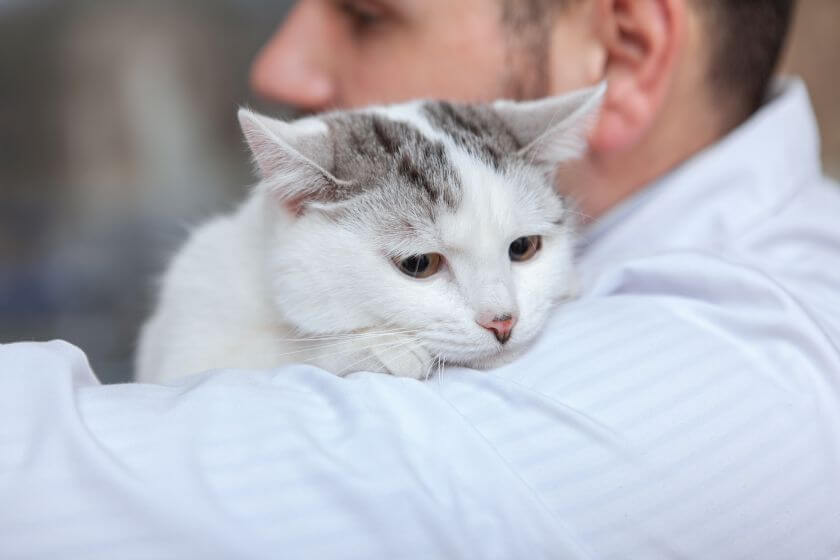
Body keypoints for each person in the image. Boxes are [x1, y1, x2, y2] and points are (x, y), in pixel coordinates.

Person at [1, 0, 839, 558]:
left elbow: (56, 492)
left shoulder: (713, 374)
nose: (280, 69)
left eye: (368, 16)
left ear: (621, 54)